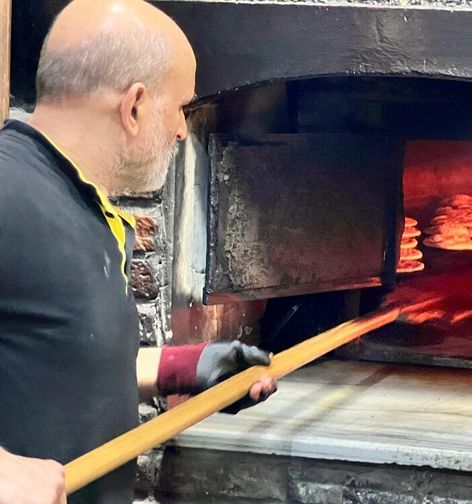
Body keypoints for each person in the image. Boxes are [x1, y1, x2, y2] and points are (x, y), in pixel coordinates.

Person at [0, 1, 277, 503]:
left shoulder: (81, 204)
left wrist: (184, 369)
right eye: (181, 109)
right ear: (134, 106)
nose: (180, 130)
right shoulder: (7, 191)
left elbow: (52, 361)